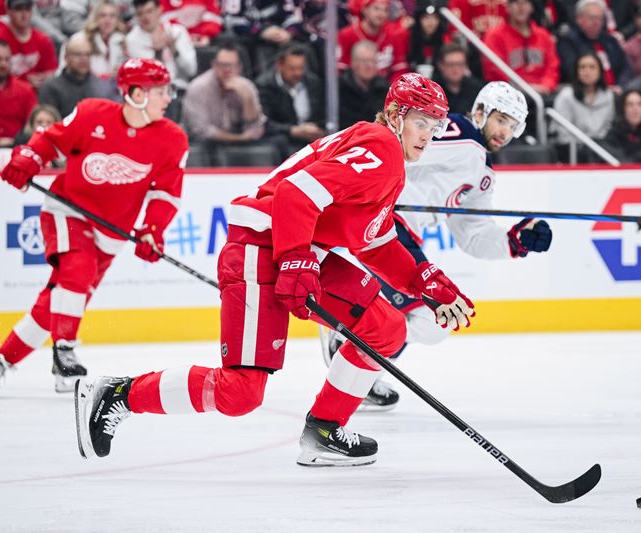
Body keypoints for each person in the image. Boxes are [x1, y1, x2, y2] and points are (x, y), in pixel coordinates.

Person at [73, 73, 475, 467]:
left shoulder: (383, 157)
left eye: (435, 126)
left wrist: (423, 279)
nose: (428, 135)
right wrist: (295, 259)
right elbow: (296, 194)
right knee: (240, 393)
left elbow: (374, 241)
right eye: (421, 123)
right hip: (259, 247)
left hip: (294, 247)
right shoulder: (382, 148)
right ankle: (118, 395)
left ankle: (325, 429)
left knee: (386, 327)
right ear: (395, 115)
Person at [324, 81, 552, 408]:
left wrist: (515, 241)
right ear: (480, 111)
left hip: (403, 235)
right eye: (501, 119)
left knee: (432, 324)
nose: (505, 131)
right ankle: (353, 353)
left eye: (513, 126)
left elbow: (472, 234)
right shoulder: (455, 130)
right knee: (431, 319)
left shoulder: (481, 171)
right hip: (387, 226)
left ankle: (359, 361)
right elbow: (393, 146)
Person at [0, 58, 189, 398]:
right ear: (135, 94)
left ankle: (2, 360)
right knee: (78, 267)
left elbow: (166, 193)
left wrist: (151, 229)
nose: (168, 98)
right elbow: (51, 140)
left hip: (111, 232)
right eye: (160, 91)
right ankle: (65, 351)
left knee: (56, 301)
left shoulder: (172, 139)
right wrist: (29, 158)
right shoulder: (92, 113)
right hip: (67, 208)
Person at [182, 42, 267, 163]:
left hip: (239, 143)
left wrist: (247, 100)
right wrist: (239, 138)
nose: (227, 70)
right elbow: (200, 130)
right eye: (222, 65)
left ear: (239, 67)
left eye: (231, 66)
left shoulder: (247, 86)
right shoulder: (198, 87)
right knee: (207, 147)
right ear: (213, 65)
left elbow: (256, 129)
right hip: (206, 144)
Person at [256, 43, 326, 157]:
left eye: (301, 68)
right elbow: (265, 122)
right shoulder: (265, 86)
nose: (297, 73)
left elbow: (324, 114)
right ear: (279, 65)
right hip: (284, 140)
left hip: (312, 138)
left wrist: (318, 128)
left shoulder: (314, 83)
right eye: (292, 68)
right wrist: (292, 130)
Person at [481, 0, 560, 96]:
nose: (521, 7)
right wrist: (524, 88)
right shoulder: (495, 36)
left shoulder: (543, 36)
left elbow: (552, 67)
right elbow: (494, 70)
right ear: (508, 7)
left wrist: (546, 85)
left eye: (525, 3)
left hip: (542, 93)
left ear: (531, 7)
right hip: (507, 96)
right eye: (516, 3)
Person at [39, 33, 118, 118]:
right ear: (66, 58)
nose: (84, 59)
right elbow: (48, 122)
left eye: (87, 55)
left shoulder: (102, 86)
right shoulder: (51, 87)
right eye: (78, 54)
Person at [556, 0, 631, 90]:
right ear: (579, 19)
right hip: (587, 92)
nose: (596, 22)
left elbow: (625, 68)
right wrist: (604, 89)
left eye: (599, 18)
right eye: (592, 18)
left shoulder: (610, 40)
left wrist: (620, 86)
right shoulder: (568, 42)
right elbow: (572, 71)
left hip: (617, 92)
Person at [126, 0, 197, 90]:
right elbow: (147, 78)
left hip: (180, 88)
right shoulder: (131, 40)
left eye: (149, 11)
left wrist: (175, 51)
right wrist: (158, 54)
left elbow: (191, 70)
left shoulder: (178, 31)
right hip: (151, 92)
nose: (145, 17)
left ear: (159, 9)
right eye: (140, 14)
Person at [0, 0, 58, 90]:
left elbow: (51, 72)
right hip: (5, 92)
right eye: (18, 9)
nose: (24, 15)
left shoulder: (43, 40)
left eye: (27, 9)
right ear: (8, 11)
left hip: (37, 93)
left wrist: (43, 79)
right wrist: (24, 81)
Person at [552, 51, 615, 148]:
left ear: (600, 71)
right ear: (576, 71)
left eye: (592, 67)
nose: (587, 71)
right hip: (573, 150)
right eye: (582, 67)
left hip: (602, 148)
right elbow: (562, 131)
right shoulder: (566, 96)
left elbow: (609, 126)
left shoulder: (608, 96)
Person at [337, 0, 409, 81]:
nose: (381, 14)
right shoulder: (347, 35)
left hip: (384, 89)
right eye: (376, 9)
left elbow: (399, 69)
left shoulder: (394, 35)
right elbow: (341, 70)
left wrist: (389, 90)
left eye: (385, 10)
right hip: (354, 89)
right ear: (365, 10)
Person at [338, 40, 390, 128]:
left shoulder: (384, 88)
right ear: (353, 63)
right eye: (364, 61)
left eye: (373, 60)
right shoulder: (339, 88)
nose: (369, 65)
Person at [431, 43, 483, 115]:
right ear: (441, 65)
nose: (456, 69)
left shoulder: (476, 88)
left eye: (460, 64)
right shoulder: (432, 90)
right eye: (451, 64)